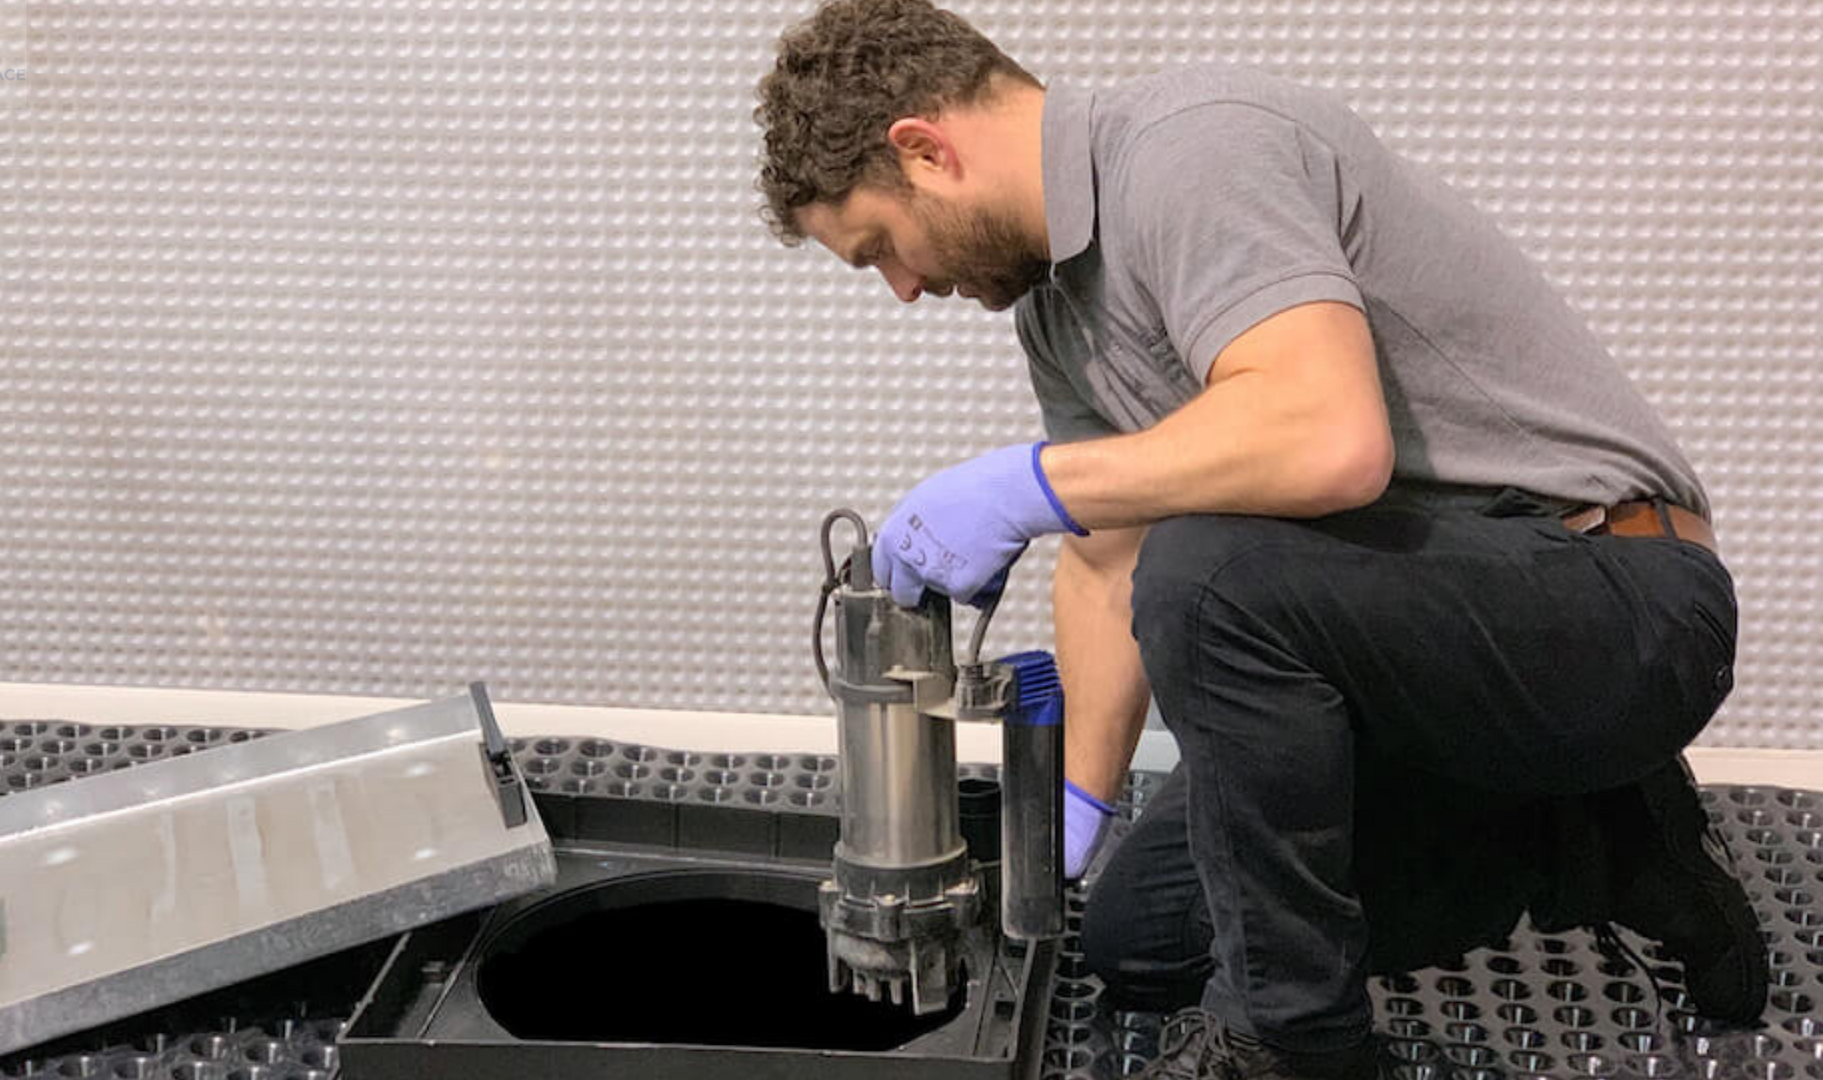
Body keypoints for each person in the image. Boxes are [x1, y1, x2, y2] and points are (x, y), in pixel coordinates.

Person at [753, 2, 1767, 1077]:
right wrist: (1074, 819)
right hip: (1424, 652)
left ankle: (1301, 1048)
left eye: (880, 250)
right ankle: (1604, 838)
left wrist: (1029, 481)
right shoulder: (1057, 311)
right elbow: (1110, 557)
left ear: (925, 150)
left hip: (1617, 601)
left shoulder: (1191, 150)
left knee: (1214, 576)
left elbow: (1330, 442)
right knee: (1141, 941)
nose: (907, 288)